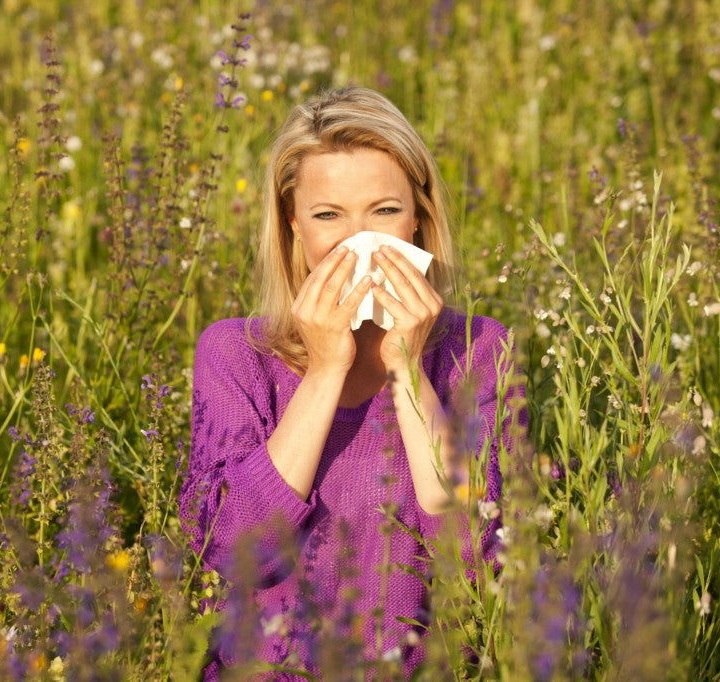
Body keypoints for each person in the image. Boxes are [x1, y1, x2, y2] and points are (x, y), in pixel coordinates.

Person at [180, 86, 526, 679]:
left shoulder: (477, 349)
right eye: (328, 216)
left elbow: (477, 557)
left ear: (420, 219)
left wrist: (408, 368)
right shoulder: (236, 353)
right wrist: (323, 369)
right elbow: (234, 551)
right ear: (294, 227)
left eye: (384, 211)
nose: (358, 241)